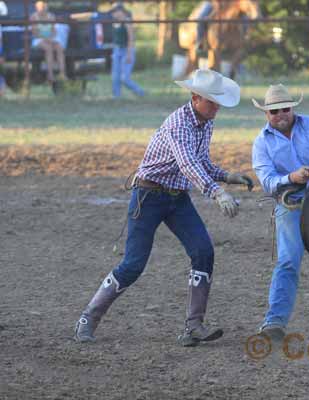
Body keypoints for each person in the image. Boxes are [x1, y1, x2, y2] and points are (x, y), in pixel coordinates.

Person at [74, 69, 254, 346]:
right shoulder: (178, 124)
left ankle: (194, 326)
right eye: (212, 101)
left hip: (177, 197)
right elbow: (187, 164)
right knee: (133, 265)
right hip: (149, 196)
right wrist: (217, 192)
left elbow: (201, 162)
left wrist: (228, 176)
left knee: (203, 252)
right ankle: (88, 318)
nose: (217, 106)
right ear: (196, 98)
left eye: (218, 101)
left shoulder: (205, 122)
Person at [252, 84, 309, 340]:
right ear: (266, 114)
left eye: (285, 109)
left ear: (292, 109)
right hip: (291, 202)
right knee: (288, 261)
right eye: (274, 111)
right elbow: (266, 179)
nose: (280, 114)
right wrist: (291, 177)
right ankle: (274, 323)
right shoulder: (261, 142)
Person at [110, 2, 144, 98]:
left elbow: (131, 38)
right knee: (115, 77)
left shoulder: (127, 21)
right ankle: (116, 97)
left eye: (115, 11)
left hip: (127, 50)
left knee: (124, 78)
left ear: (121, 11)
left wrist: (129, 54)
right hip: (117, 50)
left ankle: (140, 92)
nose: (113, 13)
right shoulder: (114, 22)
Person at [30, 1, 66, 83]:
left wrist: (51, 38)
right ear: (37, 8)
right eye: (40, 7)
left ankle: (62, 74)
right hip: (38, 39)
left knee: (59, 47)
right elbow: (35, 33)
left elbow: (54, 31)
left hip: (51, 38)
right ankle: (50, 75)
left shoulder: (51, 16)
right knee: (48, 48)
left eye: (43, 6)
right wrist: (46, 39)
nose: (42, 8)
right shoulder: (33, 17)